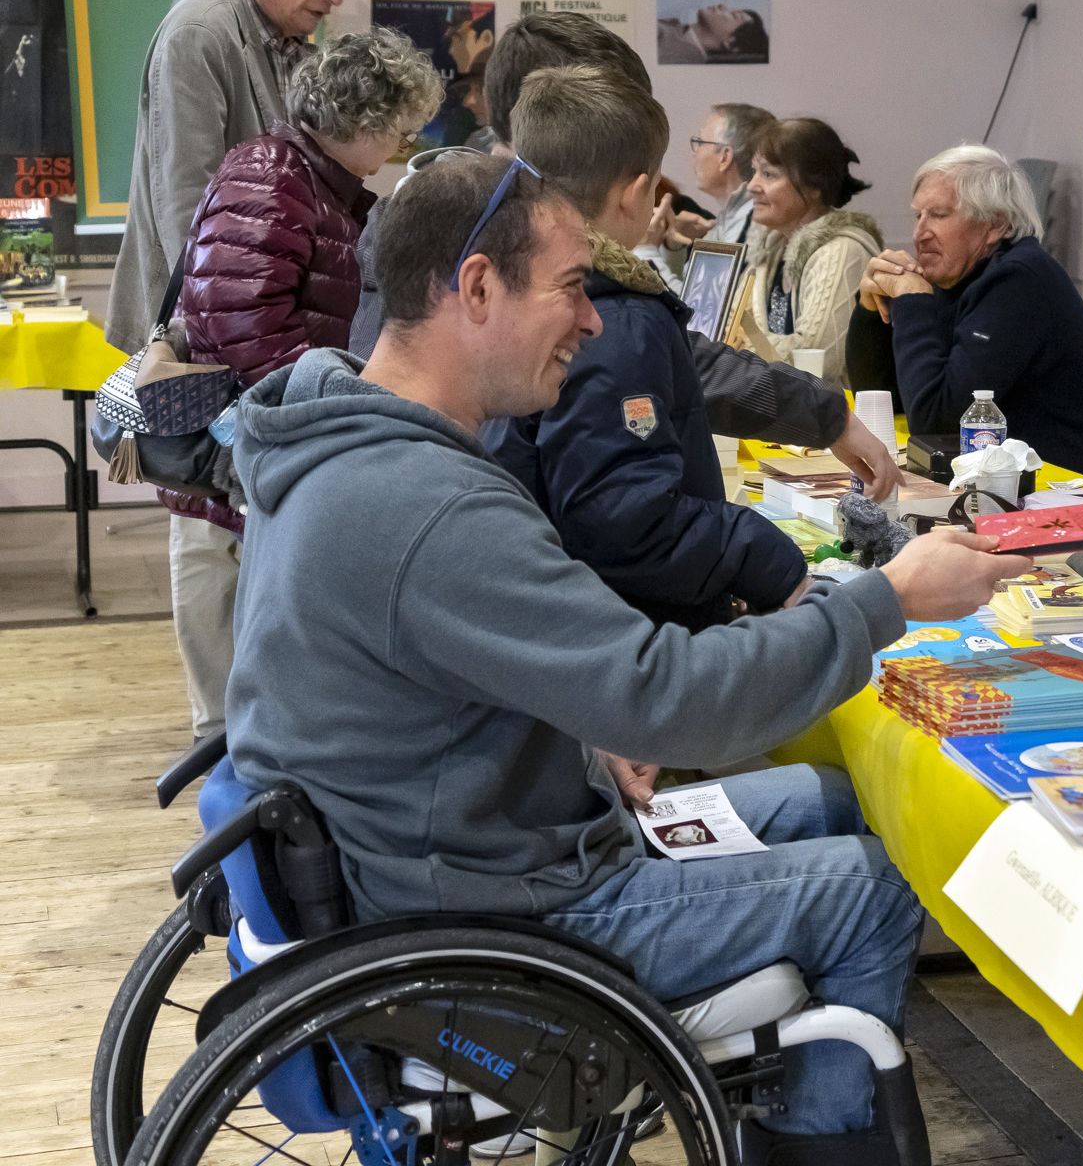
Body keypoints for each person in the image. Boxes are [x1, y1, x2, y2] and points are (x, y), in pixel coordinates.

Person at [225, 154, 1029, 1157]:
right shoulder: (426, 505)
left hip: (445, 853)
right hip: (505, 919)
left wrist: (575, 724)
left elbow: (435, 678)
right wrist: (885, 599)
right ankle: (814, 1136)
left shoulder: (331, 436)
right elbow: (671, 698)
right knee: (878, 880)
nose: (596, 320)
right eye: (572, 287)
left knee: (828, 795)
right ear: (477, 287)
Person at [352, 12, 898, 497]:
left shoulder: (460, 209)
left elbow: (672, 361)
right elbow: (655, 370)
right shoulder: (510, 237)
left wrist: (825, 414)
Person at [158, 29, 441, 743]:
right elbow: (239, 322)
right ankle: (230, 765)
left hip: (257, 431)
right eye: (402, 128)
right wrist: (329, 408)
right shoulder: (273, 178)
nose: (404, 143)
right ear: (367, 123)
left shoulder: (308, 180)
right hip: (236, 439)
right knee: (224, 606)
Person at [484, 65, 806, 629]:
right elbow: (626, 523)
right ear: (637, 193)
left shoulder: (519, 283)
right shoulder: (619, 318)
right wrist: (766, 557)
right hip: (624, 631)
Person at [104, 0, 351, 356]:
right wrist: (234, 335)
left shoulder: (291, 36)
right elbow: (186, 203)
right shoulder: (199, 34)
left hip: (259, 315)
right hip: (204, 327)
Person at [860, 145, 1083, 489]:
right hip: (1015, 489)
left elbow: (938, 423)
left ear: (994, 226)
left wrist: (912, 299)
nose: (920, 232)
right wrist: (871, 307)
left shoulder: (1020, 280)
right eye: (918, 215)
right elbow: (879, 398)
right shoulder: (956, 274)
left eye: (939, 214)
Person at [739, 118, 882, 390]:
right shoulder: (771, 246)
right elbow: (731, 324)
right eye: (754, 171)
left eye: (769, 175)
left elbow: (818, 358)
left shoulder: (843, 250)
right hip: (787, 412)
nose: (752, 185)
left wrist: (744, 346)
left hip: (840, 419)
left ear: (816, 185)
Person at [635, 101, 773, 291]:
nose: (694, 153)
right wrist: (674, 247)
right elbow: (690, 294)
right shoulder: (733, 216)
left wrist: (645, 250)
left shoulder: (751, 221)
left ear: (724, 157)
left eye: (700, 142)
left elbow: (698, 314)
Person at [657, 4, 769, 64]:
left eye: (734, 15)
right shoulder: (676, 31)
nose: (723, 6)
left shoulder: (682, 57)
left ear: (730, 42)